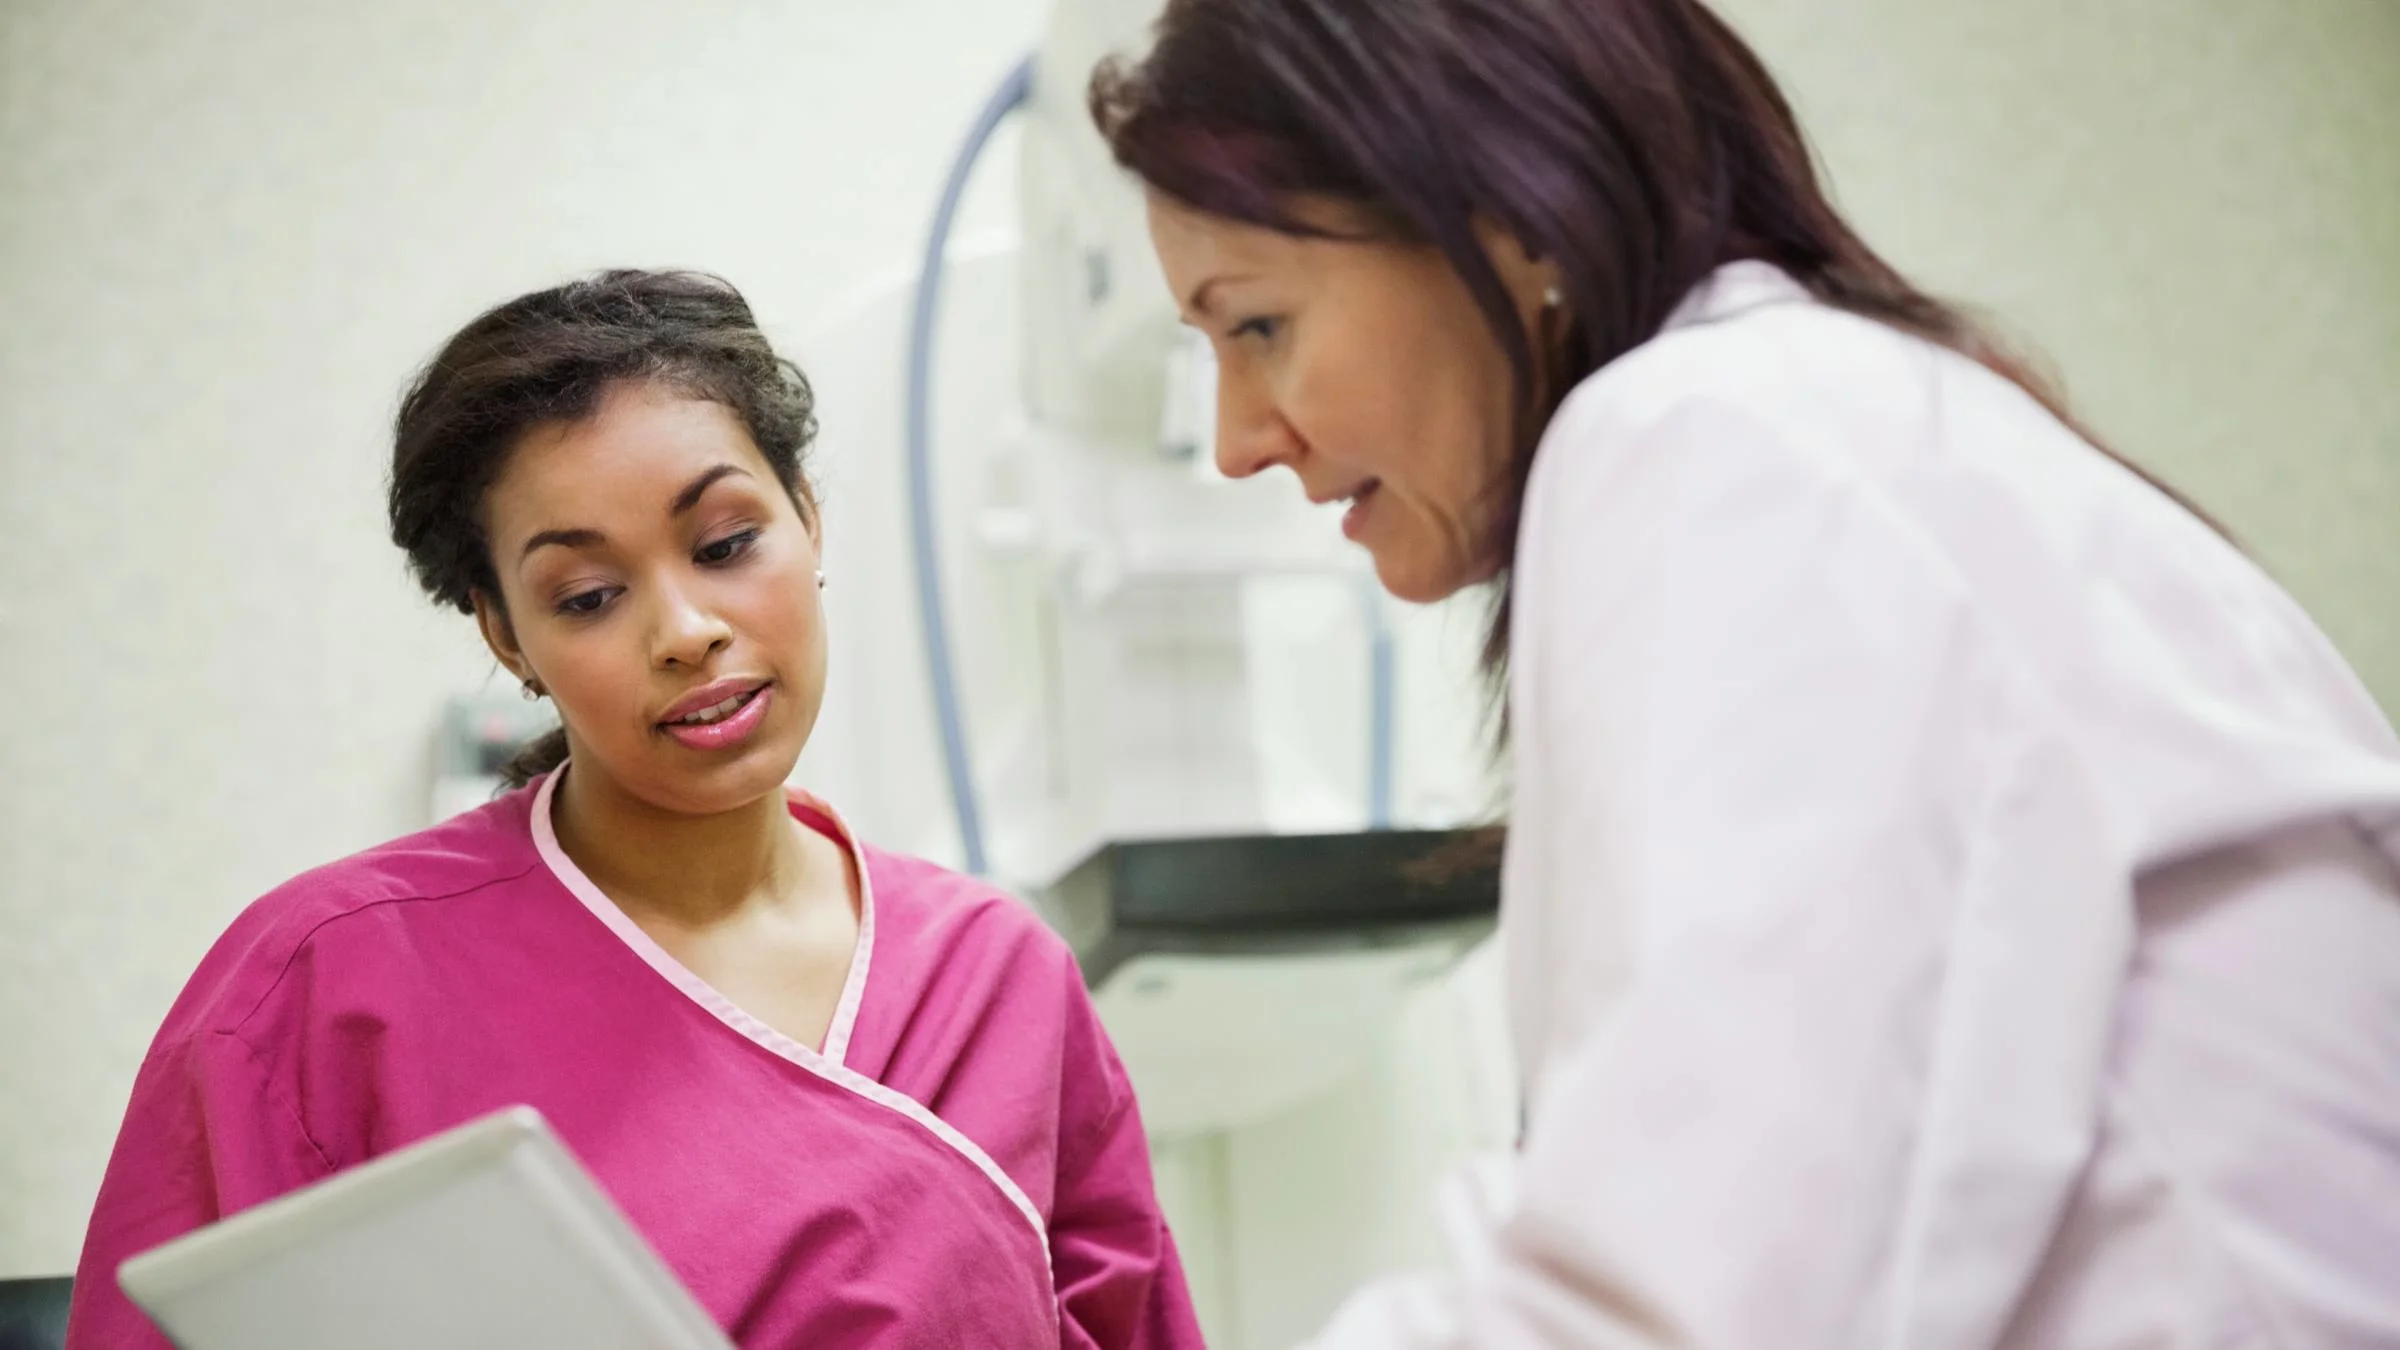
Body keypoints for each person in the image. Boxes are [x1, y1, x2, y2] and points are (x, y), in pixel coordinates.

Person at [1091, 1, 2400, 1346]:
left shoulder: (1725, 439)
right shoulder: (1851, 429)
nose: (1241, 439)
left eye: (1255, 326)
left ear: (1508, 216)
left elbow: (1686, 1298)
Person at [68, 270, 1205, 1350]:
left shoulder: (999, 979)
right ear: (507, 636)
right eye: (590, 596)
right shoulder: (323, 985)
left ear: (809, 519)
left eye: (724, 544)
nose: (684, 630)